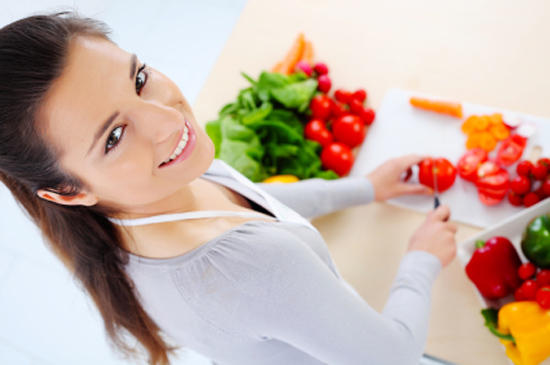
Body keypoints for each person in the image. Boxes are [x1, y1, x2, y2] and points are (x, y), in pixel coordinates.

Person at [0, 11, 457, 365]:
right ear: (68, 192)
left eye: (139, 79)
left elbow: (246, 199)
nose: (168, 120)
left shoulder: (135, 209)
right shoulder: (255, 267)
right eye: (114, 137)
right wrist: (422, 260)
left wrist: (365, 189)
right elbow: (394, 357)